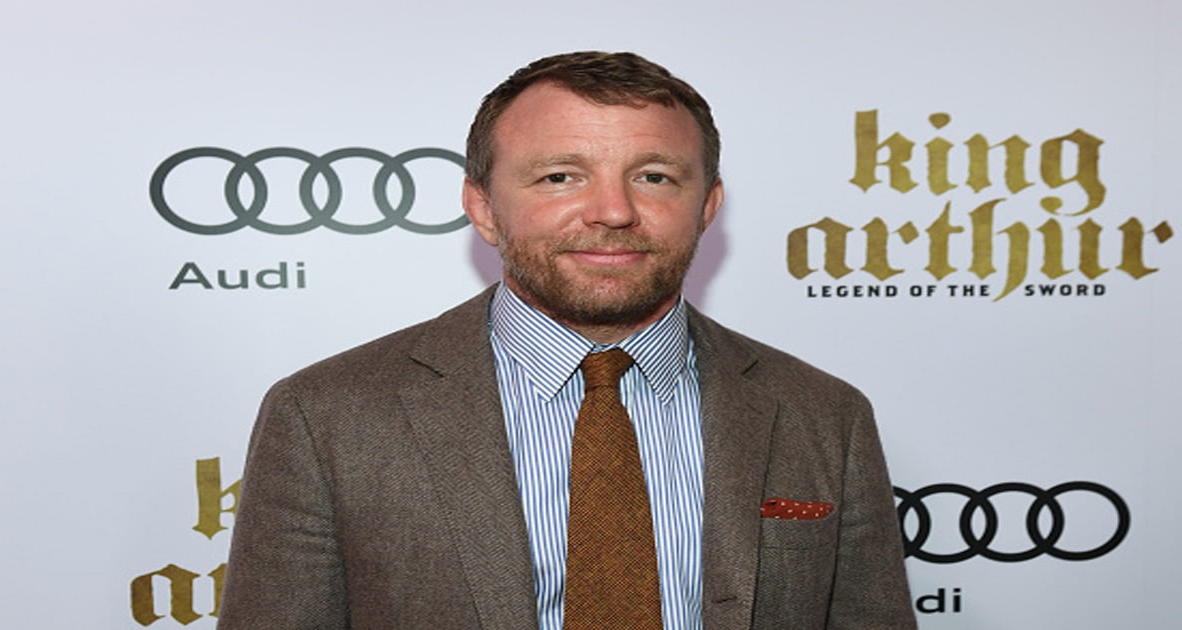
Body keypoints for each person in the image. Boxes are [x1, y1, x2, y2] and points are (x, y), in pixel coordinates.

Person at [217, 51, 916, 630]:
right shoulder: (326, 415)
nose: (613, 211)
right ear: (484, 208)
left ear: (707, 206)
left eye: (653, 177)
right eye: (561, 176)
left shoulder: (823, 414)